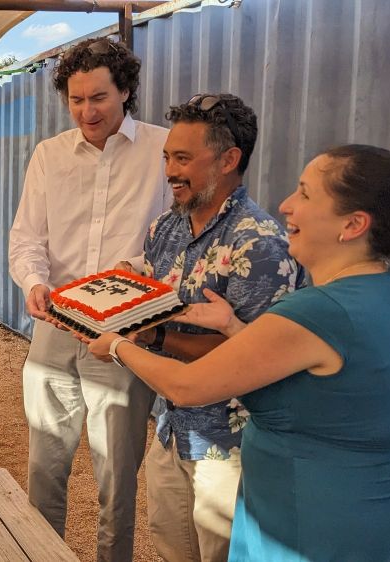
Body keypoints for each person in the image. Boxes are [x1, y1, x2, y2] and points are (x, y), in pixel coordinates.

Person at [82, 144, 390, 560]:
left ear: (352, 224)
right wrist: (231, 325)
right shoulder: (381, 290)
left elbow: (186, 386)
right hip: (361, 507)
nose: (286, 205)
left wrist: (116, 344)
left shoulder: (320, 310)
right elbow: (312, 380)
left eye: (305, 194)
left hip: (313, 526)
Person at [8, 37, 170, 561]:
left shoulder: (161, 151)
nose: (86, 111)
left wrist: (143, 273)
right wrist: (34, 282)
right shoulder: (49, 155)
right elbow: (27, 236)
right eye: (76, 100)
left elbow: (181, 239)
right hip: (55, 326)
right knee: (43, 467)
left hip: (122, 335)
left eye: (98, 97)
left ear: (125, 90)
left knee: (117, 477)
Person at [128, 93, 300, 562]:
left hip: (231, 445)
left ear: (229, 160)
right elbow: (146, 296)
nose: (169, 171)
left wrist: (150, 340)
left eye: (183, 158)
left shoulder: (260, 245)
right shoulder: (165, 227)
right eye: (167, 157)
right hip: (171, 426)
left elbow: (252, 363)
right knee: (172, 547)